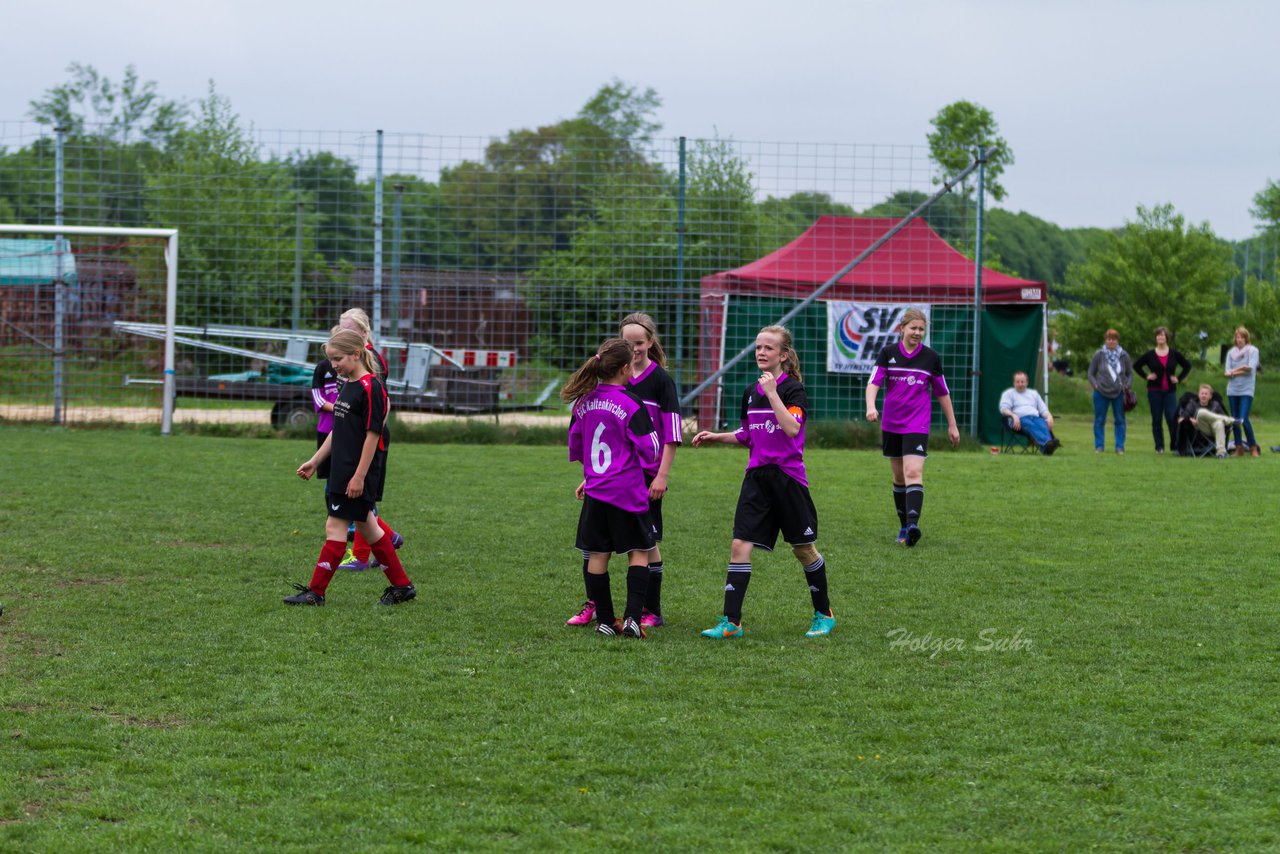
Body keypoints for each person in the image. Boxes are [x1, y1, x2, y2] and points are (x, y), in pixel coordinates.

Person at [691, 325, 835, 640]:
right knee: (739, 544)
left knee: (803, 549)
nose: (761, 352)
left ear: (783, 355)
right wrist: (718, 436)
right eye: (758, 347)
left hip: (788, 479)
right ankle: (731, 621)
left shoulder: (792, 390)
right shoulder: (749, 392)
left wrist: (772, 393)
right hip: (756, 478)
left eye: (768, 348)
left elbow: (791, 429)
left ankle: (823, 613)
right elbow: (750, 434)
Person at [565, 313, 682, 630]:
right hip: (628, 490)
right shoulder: (631, 403)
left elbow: (576, 446)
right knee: (641, 550)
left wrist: (592, 474)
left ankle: (605, 620)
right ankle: (632, 617)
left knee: (597, 554)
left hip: (597, 489)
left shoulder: (584, 402)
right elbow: (651, 448)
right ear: (624, 367)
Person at [289, 329, 416, 606]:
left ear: (356, 354)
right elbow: (339, 429)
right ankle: (402, 586)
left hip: (356, 473)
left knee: (335, 527)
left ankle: (315, 592)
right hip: (342, 469)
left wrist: (359, 477)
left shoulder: (372, 388)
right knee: (370, 530)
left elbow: (373, 435)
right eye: (331, 360)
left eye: (338, 359)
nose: (333, 365)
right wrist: (315, 460)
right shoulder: (348, 385)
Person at [864, 308, 960, 547]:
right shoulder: (887, 353)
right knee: (898, 476)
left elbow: (942, 392)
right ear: (902, 329)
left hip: (917, 424)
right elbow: (873, 382)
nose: (917, 333)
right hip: (891, 424)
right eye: (913, 328)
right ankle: (904, 525)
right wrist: (871, 406)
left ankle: (914, 524)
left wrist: (952, 425)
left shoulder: (930, 357)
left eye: (921, 329)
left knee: (914, 473)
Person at [334, 308, 405, 569]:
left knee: (361, 499)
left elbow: (380, 404)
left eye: (349, 330)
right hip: (350, 435)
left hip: (368, 437)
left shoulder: (370, 359)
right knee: (355, 499)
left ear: (364, 333)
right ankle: (390, 537)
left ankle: (361, 557)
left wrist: (370, 433)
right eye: (340, 329)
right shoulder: (346, 358)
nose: (343, 334)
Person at [1133, 326, 1191, 455]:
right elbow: (1136, 366)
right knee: (1157, 419)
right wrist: (1146, 376)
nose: (1160, 337)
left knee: (1171, 417)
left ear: (1167, 338)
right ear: (1156, 338)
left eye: (1163, 335)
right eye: (1158, 335)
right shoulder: (1150, 355)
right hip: (1154, 391)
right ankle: (1159, 447)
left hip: (1169, 391)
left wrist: (1178, 378)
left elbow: (1187, 365)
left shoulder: (1174, 354)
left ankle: (1175, 445)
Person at [1087, 329, 1133, 454]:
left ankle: (1119, 447)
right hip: (1101, 392)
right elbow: (1090, 373)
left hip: (1119, 393)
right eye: (1108, 339)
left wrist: (1127, 385)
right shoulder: (1099, 354)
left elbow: (1130, 374)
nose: (1110, 341)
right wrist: (1095, 385)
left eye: (1113, 339)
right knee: (1099, 420)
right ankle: (1099, 446)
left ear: (1117, 340)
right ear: (1105, 340)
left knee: (1120, 420)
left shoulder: (1124, 355)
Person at [997, 370, 1060, 455]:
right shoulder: (1009, 394)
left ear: (1026, 382)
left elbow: (1043, 409)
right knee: (1030, 424)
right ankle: (1048, 444)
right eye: (1017, 382)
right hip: (1019, 420)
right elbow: (1004, 408)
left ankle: (1047, 448)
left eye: (1022, 382)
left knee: (1042, 423)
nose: (1020, 384)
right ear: (1014, 383)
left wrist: (1049, 417)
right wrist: (1013, 416)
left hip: (1035, 418)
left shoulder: (1033, 393)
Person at [1225, 326, 1261, 457]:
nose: (1239, 339)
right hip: (1232, 390)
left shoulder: (1253, 350)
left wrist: (1234, 371)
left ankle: (1253, 447)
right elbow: (1226, 372)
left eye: (1241, 337)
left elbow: (1250, 369)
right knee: (1235, 420)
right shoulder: (1230, 353)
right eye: (1237, 337)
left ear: (1246, 338)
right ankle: (1238, 448)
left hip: (1246, 389)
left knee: (1243, 418)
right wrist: (1239, 369)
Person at [1177, 383, 1238, 459]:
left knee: (1219, 423)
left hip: (1214, 430)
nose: (1203, 395)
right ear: (1198, 395)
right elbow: (1184, 415)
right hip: (1199, 429)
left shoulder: (1216, 404)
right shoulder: (1193, 403)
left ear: (1210, 396)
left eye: (1206, 394)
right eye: (1202, 393)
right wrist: (1188, 420)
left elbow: (1222, 417)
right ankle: (1231, 420)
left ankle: (1221, 453)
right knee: (1201, 412)